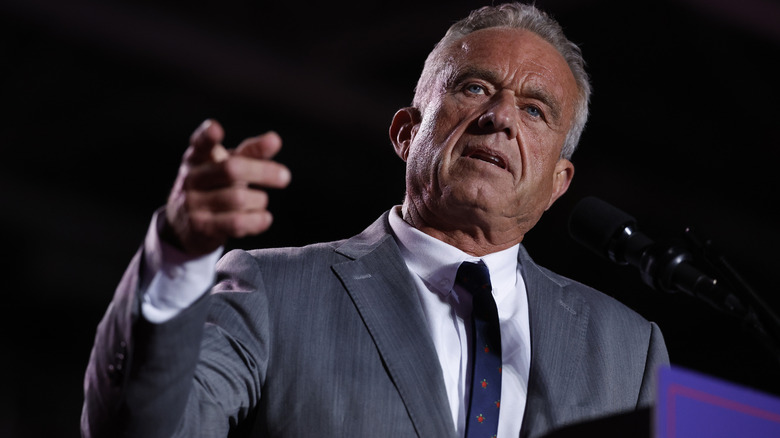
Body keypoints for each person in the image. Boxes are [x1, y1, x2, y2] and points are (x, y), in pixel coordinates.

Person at [81, 3, 668, 438]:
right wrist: (179, 256)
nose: (500, 117)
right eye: (475, 87)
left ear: (558, 182)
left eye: (535, 109)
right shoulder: (272, 292)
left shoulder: (629, 350)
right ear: (406, 134)